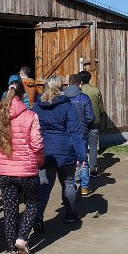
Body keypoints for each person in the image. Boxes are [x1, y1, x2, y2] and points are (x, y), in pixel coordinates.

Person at [0, 80, 44, 254]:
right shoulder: (31, 115)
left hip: (6, 171)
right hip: (27, 170)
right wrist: (39, 161)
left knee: (10, 209)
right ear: (23, 95)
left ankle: (12, 250)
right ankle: (22, 237)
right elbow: (37, 144)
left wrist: (2, 156)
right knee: (33, 202)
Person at [33, 75, 88, 230]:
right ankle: (70, 215)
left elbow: (32, 130)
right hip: (65, 150)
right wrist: (82, 155)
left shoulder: (37, 107)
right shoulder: (67, 105)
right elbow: (75, 132)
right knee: (68, 182)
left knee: (45, 184)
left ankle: (38, 216)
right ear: (61, 87)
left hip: (45, 151)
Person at [64, 73, 95, 196]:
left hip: (66, 133)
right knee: (83, 158)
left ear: (69, 83)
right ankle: (84, 187)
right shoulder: (84, 98)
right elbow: (90, 117)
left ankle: (71, 185)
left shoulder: (62, 97)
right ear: (80, 84)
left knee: (69, 160)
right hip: (81, 132)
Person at [79, 70, 104, 177]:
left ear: (80, 80)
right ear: (89, 79)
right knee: (93, 146)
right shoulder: (96, 90)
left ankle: (83, 169)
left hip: (82, 122)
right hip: (95, 122)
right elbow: (101, 108)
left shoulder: (78, 91)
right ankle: (93, 169)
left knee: (82, 145)